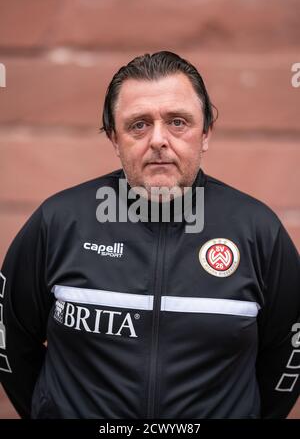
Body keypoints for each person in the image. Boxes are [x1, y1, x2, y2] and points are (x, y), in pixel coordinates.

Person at [0, 51, 299, 419]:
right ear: (114, 138)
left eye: (178, 122)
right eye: (138, 125)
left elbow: (287, 360)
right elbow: (9, 342)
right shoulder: (59, 222)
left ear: (205, 133)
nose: (158, 139)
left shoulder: (258, 232)